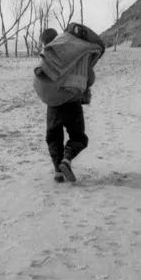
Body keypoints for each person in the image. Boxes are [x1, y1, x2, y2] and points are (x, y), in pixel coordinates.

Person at [38, 28, 99, 183]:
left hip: (53, 105)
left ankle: (58, 172)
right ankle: (67, 159)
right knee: (79, 137)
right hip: (72, 104)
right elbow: (89, 79)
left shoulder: (45, 57)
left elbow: (41, 83)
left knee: (53, 138)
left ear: (44, 42)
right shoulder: (75, 54)